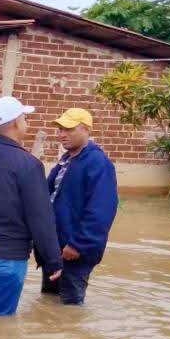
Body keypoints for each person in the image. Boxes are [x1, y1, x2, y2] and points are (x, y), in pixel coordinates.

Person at [0, 96, 63, 316]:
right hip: (7, 255)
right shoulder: (29, 164)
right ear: (16, 123)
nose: (27, 123)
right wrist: (52, 260)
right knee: (0, 323)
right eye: (25, 118)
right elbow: (40, 217)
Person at [42, 108, 119, 305]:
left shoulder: (98, 163)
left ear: (86, 129)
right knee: (49, 302)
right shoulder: (67, 160)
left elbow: (101, 211)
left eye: (68, 129)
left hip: (75, 251)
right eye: (60, 129)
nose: (61, 134)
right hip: (56, 249)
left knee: (70, 307)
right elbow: (47, 195)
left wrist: (78, 244)